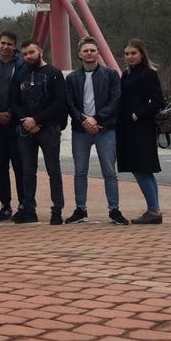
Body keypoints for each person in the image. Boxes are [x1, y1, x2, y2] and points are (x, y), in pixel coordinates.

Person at [65, 37, 128, 226]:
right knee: (80, 171)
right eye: (85, 50)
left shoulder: (111, 75)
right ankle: (80, 209)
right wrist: (84, 120)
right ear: (79, 54)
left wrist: (97, 119)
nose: (89, 53)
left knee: (109, 171)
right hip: (80, 130)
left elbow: (116, 100)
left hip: (105, 129)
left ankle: (114, 210)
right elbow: (70, 104)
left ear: (98, 53)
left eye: (92, 50)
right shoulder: (72, 78)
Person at [11, 40, 67, 225]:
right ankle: (29, 209)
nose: (28, 56)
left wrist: (37, 120)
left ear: (40, 51)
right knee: (27, 171)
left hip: (48, 128)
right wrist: (25, 120)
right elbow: (14, 101)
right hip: (25, 128)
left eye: (31, 52)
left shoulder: (54, 73)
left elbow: (59, 102)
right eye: (25, 54)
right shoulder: (20, 74)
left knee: (53, 170)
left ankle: (57, 209)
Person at [118, 38, 166, 225]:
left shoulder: (148, 73)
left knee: (141, 168)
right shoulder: (126, 74)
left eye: (133, 53)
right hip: (129, 128)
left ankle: (153, 210)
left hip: (143, 128)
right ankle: (154, 209)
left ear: (142, 54)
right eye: (127, 54)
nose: (130, 57)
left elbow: (158, 100)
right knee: (144, 170)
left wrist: (139, 114)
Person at [0, 31, 27, 222]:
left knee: (19, 167)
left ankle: (24, 204)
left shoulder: (23, 65)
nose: (5, 47)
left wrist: (12, 112)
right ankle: (5, 205)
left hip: (16, 124)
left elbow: (24, 95)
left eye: (9, 44)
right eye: (3, 43)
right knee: (0, 168)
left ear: (14, 46)